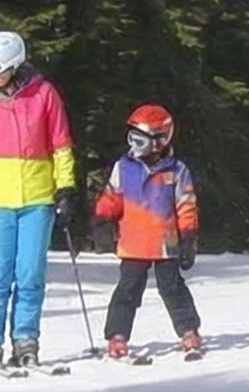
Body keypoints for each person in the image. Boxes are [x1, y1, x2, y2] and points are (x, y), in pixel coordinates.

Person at [0, 30, 77, 373]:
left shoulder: (44, 94)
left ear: (14, 64)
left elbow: (61, 145)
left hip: (37, 198)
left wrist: (65, 189)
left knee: (30, 274)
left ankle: (25, 340)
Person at [93, 104, 204, 361]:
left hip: (166, 242)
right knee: (128, 289)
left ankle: (188, 330)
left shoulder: (176, 171)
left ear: (160, 140)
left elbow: (186, 205)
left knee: (172, 287)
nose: (134, 144)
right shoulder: (124, 166)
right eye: (132, 137)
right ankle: (117, 335)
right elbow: (111, 196)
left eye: (140, 139)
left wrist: (188, 238)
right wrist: (101, 220)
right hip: (133, 241)